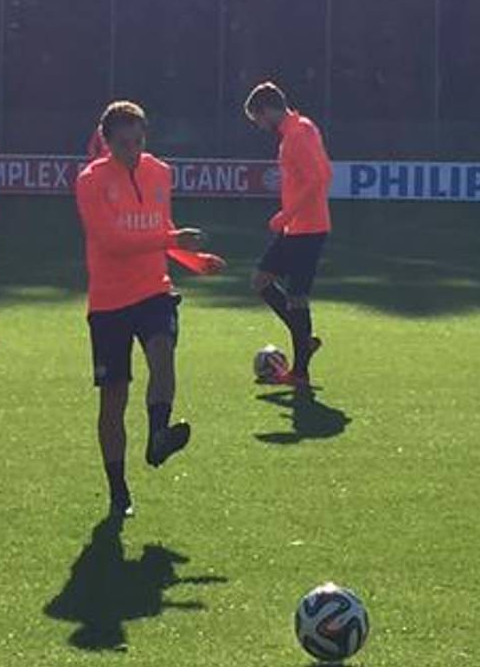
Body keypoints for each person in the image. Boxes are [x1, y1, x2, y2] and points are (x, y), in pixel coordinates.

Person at [75, 100, 225, 517]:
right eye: (123, 143)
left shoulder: (160, 172)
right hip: (108, 302)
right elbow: (112, 243)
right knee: (114, 397)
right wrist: (175, 241)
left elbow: (159, 232)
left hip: (153, 290)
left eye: (138, 141)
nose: (133, 150)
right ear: (106, 143)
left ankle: (159, 433)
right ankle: (118, 490)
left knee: (163, 353)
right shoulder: (90, 182)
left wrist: (195, 261)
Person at [243, 81, 332, 393]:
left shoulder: (298, 134)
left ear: (267, 110)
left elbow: (319, 177)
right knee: (260, 280)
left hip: (307, 228)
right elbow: (321, 175)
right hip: (296, 228)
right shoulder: (299, 129)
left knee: (296, 298)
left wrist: (286, 214)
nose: (260, 126)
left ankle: (301, 371)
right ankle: (303, 340)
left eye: (258, 120)